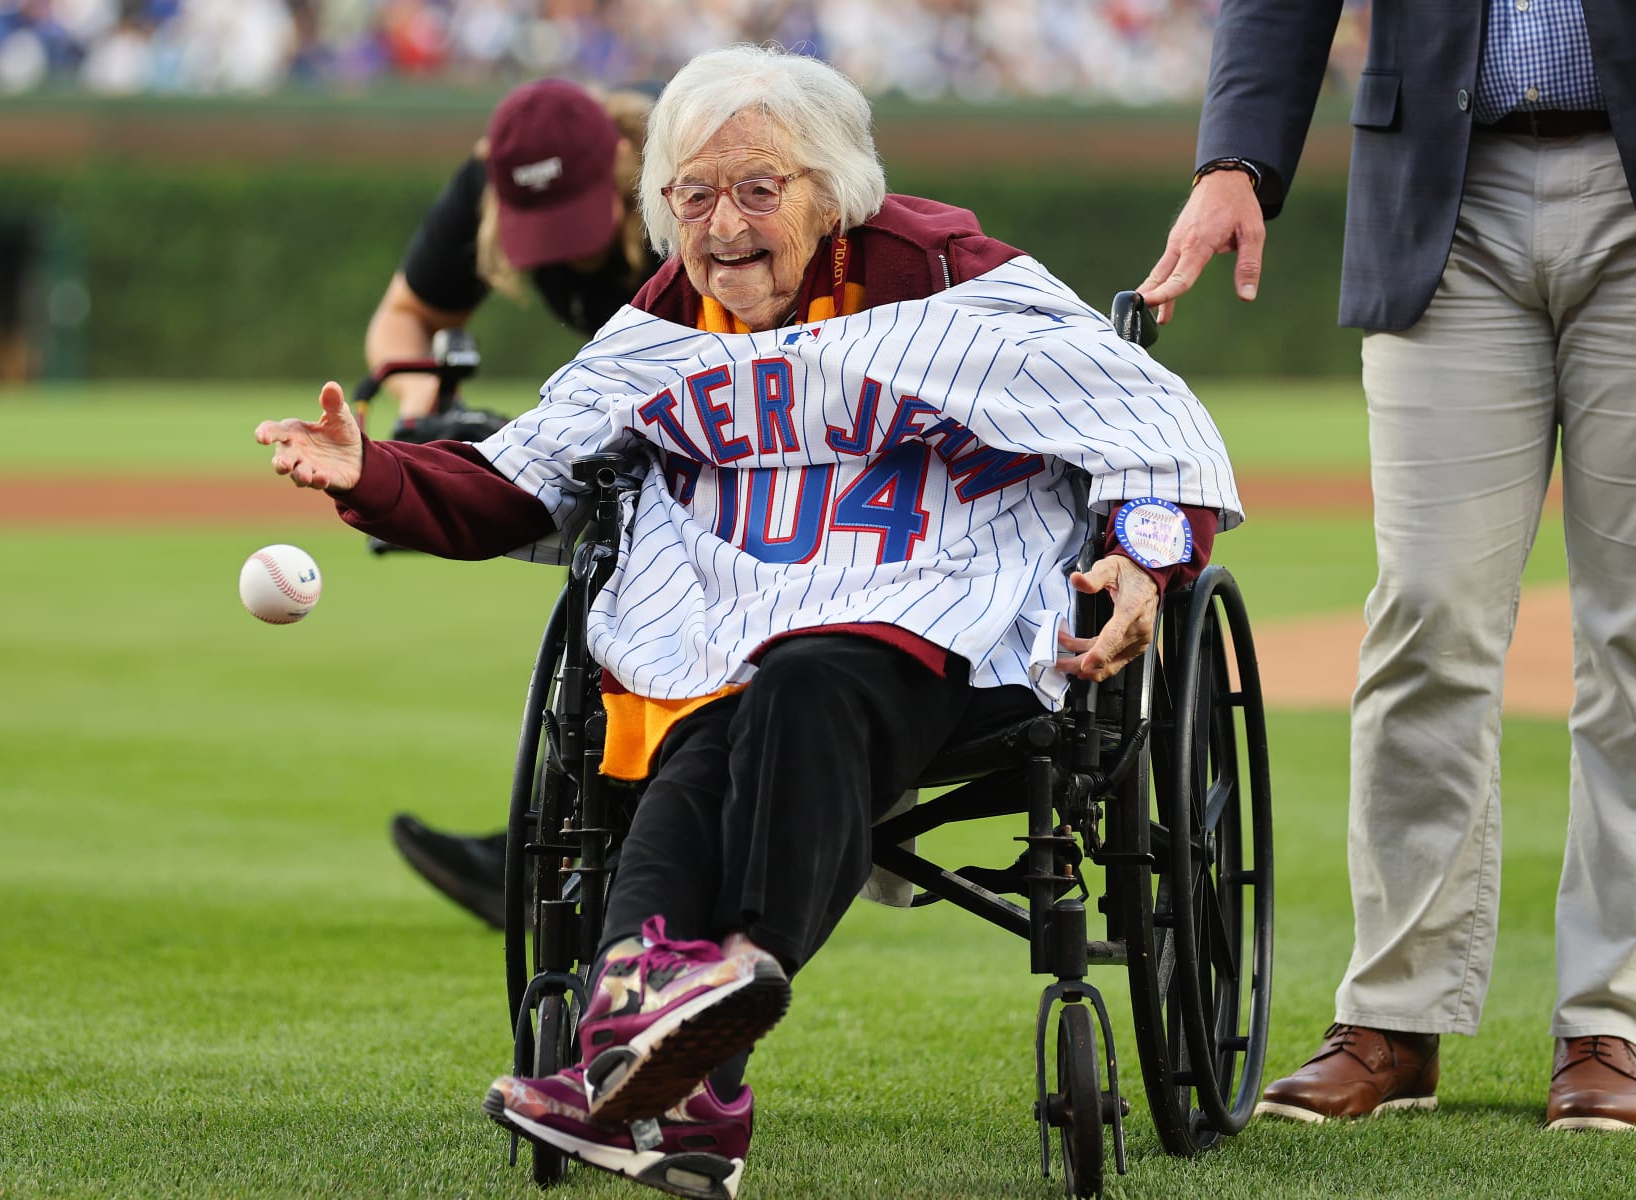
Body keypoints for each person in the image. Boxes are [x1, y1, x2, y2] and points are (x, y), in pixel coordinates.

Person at [260, 45, 1243, 1198]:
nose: (722, 225)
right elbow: (522, 482)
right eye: (692, 196)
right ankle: (662, 1063)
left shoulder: (948, 273)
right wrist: (370, 471)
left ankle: (733, 985)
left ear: (833, 191)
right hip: (747, 629)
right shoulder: (662, 322)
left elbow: (1145, 425)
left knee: (803, 679)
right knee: (692, 736)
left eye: (757, 189)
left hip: (939, 617)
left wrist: (1145, 561)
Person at [1138, 0, 1636, 1132]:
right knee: (1425, 610)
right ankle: (1396, 1017)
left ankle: (1613, 1021)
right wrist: (1234, 160)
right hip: (1440, 191)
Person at [367, 76, 663, 928]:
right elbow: (407, 315)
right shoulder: (487, 181)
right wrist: (424, 416)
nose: (562, 250)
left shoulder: (681, 192)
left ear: (617, 164)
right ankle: (552, 846)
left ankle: (563, 847)